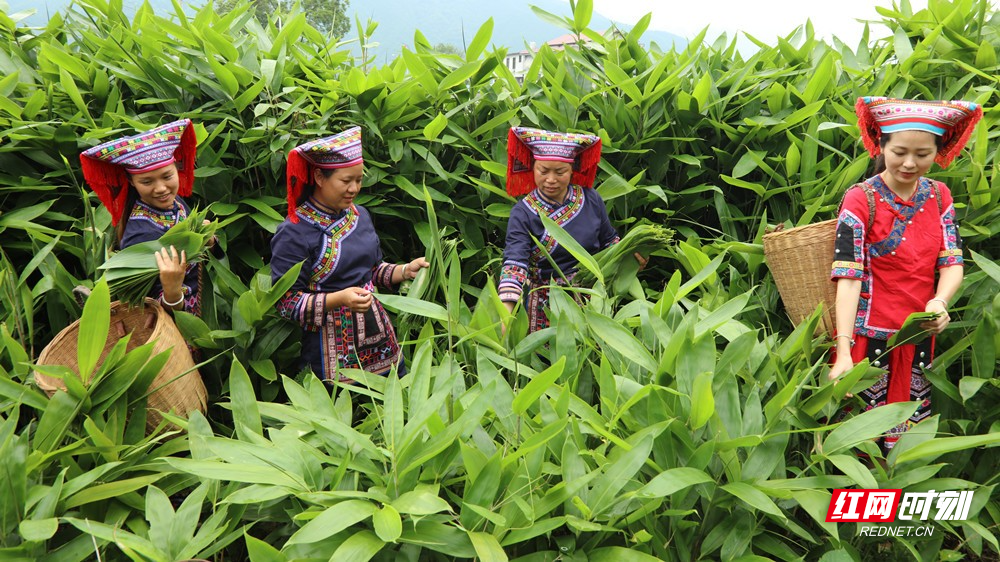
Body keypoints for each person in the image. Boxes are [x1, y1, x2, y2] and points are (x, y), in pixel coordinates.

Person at [828, 97, 982, 450]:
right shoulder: (860, 198)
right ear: (881, 146)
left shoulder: (939, 196)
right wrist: (844, 351)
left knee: (906, 444)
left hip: (917, 337)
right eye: (899, 152)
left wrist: (940, 302)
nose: (910, 163)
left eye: (922, 154)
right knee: (856, 441)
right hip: (865, 339)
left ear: (937, 153)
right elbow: (848, 278)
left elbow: (952, 262)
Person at [270, 126, 429, 383]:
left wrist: (404, 270)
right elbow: (286, 303)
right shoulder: (294, 231)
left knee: (394, 396)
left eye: (359, 180)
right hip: (328, 351)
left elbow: (373, 271)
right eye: (346, 181)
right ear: (319, 177)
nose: (354, 189)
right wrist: (339, 299)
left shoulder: (360, 215)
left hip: (380, 340)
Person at [498, 126, 645, 333]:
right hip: (545, 305)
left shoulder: (591, 199)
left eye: (560, 172)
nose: (551, 179)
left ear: (572, 170)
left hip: (592, 299)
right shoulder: (523, 213)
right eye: (543, 171)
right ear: (532, 168)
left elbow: (609, 242)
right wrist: (505, 314)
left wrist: (629, 258)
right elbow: (515, 263)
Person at [80, 119, 205, 314]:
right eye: (147, 182)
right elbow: (148, 309)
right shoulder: (141, 234)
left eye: (167, 176)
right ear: (132, 182)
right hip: (179, 325)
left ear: (177, 168)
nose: (161, 188)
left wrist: (207, 238)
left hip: (203, 301)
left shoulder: (176, 202)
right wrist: (172, 292)